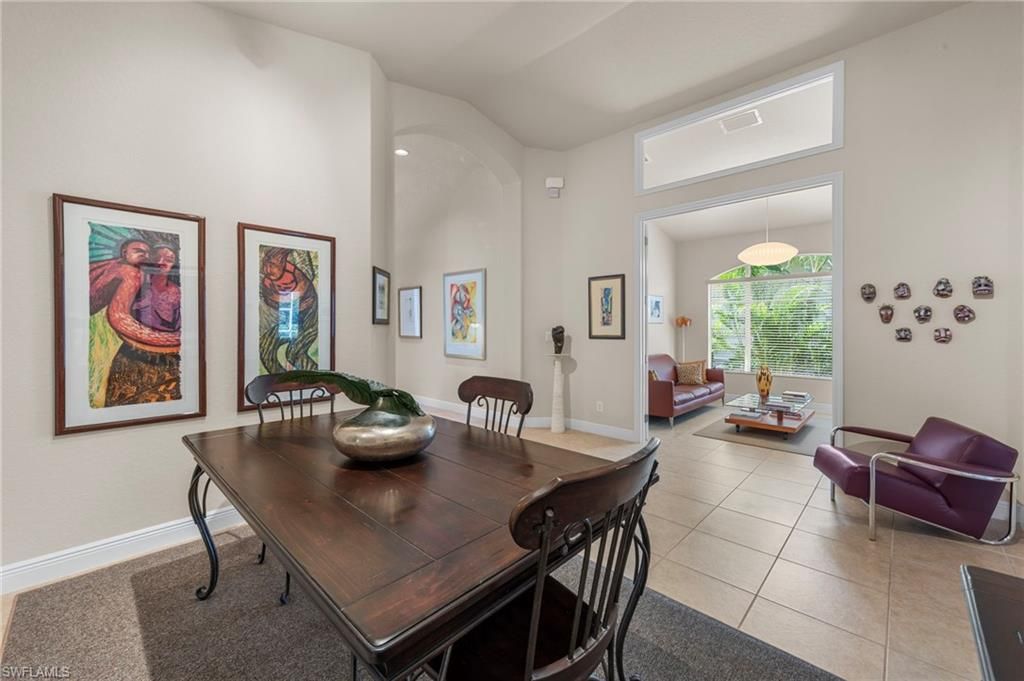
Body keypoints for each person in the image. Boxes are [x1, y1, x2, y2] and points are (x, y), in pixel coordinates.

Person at [258, 247, 318, 372]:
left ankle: (320, 379)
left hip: (308, 318)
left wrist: (295, 304)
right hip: (288, 315)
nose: (267, 270)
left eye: (272, 265)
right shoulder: (267, 281)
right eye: (265, 265)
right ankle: (281, 381)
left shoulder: (298, 276)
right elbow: (271, 298)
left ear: (282, 262)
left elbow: (302, 290)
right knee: (265, 349)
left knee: (294, 353)